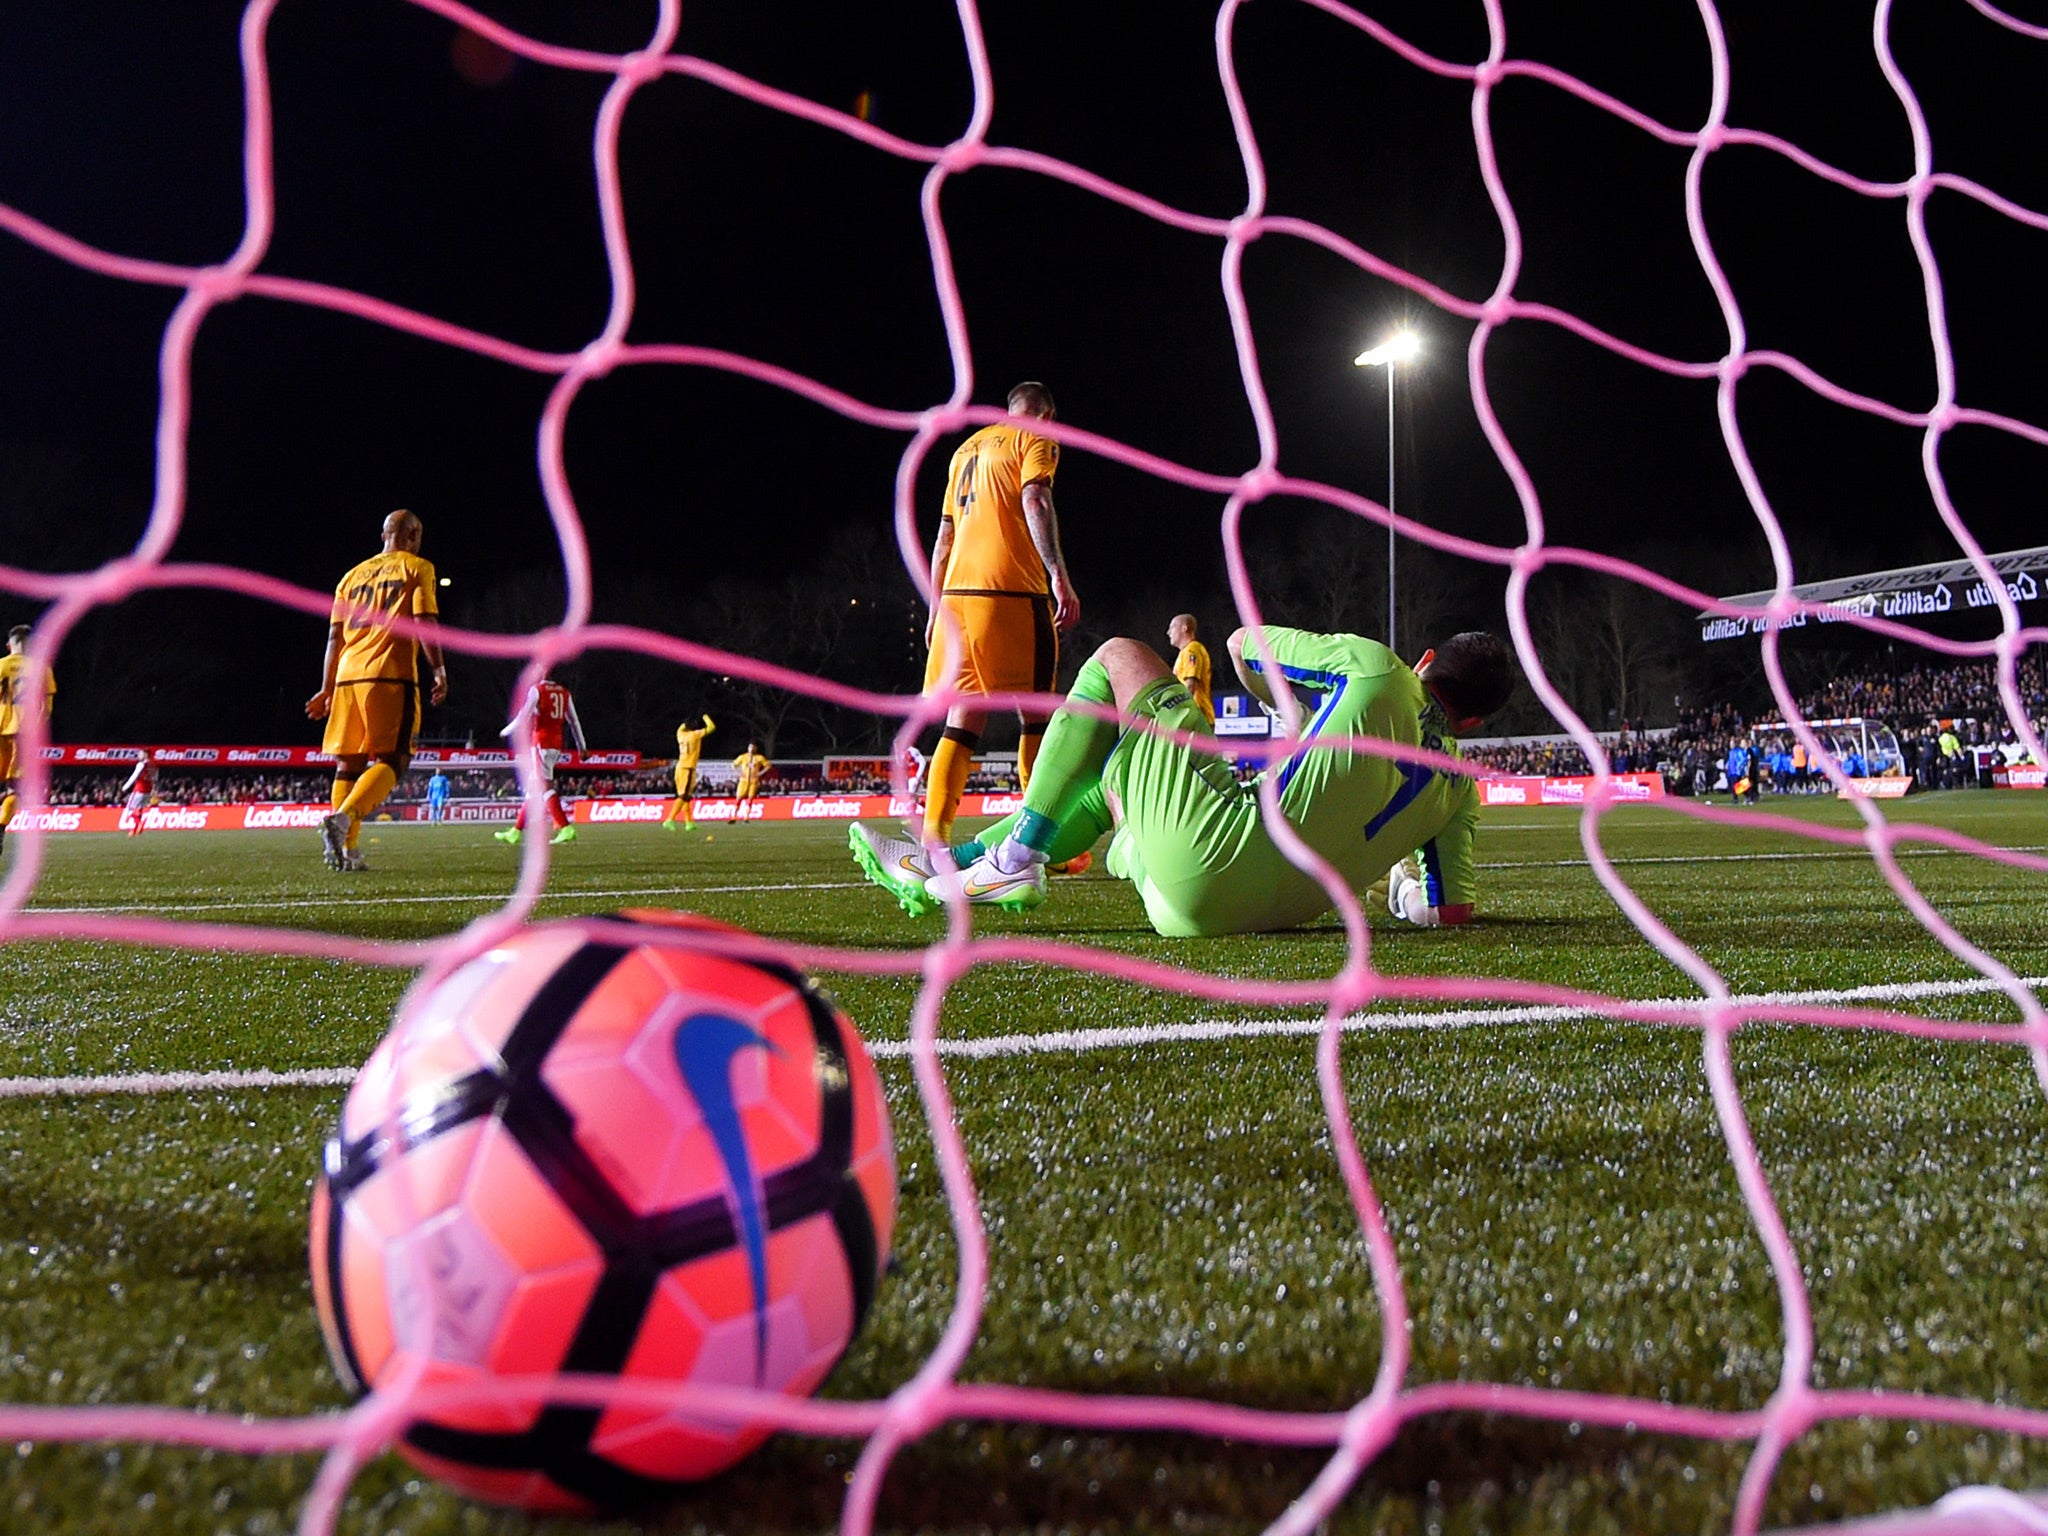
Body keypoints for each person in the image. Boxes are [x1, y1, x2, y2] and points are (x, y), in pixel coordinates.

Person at [852, 625, 1513, 935]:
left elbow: (1240, 644)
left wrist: (1293, 711)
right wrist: (1400, 892)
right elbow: (1450, 912)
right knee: (1117, 777)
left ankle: (1015, 856)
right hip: (1237, 918)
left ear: (1425, 659)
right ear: (1476, 721)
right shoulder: (1460, 790)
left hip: (1211, 857)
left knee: (1117, 658)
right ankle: (951, 860)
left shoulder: (1378, 668)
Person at [918, 381, 1081, 845]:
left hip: (955, 601)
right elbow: (1035, 499)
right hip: (1008, 594)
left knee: (962, 720)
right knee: (1036, 715)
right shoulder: (1034, 437)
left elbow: (943, 538)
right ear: (1046, 414)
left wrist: (934, 611)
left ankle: (935, 836)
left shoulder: (964, 450)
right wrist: (1058, 574)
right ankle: (1039, 843)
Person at [306, 510, 448, 871]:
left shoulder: (350, 577)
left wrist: (326, 688)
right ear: (413, 535)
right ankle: (343, 819)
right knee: (394, 759)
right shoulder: (417, 567)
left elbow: (334, 637)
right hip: (389, 674)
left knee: (348, 762)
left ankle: (346, 851)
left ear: (383, 534)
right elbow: (424, 621)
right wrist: (439, 670)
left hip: (347, 677)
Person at [493, 673, 586, 846]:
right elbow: (574, 721)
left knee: (544, 787)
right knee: (534, 789)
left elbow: (523, 716)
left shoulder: (537, 690)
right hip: (556, 744)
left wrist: (505, 731)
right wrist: (582, 747)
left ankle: (565, 827)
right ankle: (516, 831)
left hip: (541, 743)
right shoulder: (564, 693)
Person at [0, 624, 56, 856]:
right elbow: (47, 705)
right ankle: (1, 825)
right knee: (16, 788)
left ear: (8, 645)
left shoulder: (0, 665)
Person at [662, 713, 715, 831]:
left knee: (686, 796)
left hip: (680, 767)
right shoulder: (695, 735)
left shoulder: (680, 734)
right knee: (683, 795)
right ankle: (670, 819)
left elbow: (682, 726)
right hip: (688, 768)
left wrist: (687, 722)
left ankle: (688, 822)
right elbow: (711, 727)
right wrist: (705, 716)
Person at [1168, 613, 1215, 726]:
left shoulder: (1192, 650)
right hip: (1194, 717)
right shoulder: (1185, 652)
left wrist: (1177, 712)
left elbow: (1191, 684)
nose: (1169, 632)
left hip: (1196, 717)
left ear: (1185, 628)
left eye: (1172, 627)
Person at [121, 754, 158, 836]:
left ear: (145, 755)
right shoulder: (153, 765)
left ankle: (139, 823)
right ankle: (135, 829)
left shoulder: (141, 764)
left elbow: (134, 776)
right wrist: (153, 789)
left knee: (129, 809)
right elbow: (155, 779)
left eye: (140, 754)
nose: (138, 755)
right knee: (139, 810)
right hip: (147, 791)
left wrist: (125, 786)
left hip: (139, 789)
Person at [732, 742, 771, 813]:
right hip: (743, 781)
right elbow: (733, 765)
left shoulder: (759, 758)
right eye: (750, 747)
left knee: (750, 798)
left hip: (754, 781)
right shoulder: (743, 757)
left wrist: (760, 773)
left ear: (756, 749)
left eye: (753, 747)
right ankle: (734, 816)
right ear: (748, 748)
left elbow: (768, 766)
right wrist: (739, 773)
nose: (751, 749)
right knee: (739, 797)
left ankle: (747, 817)